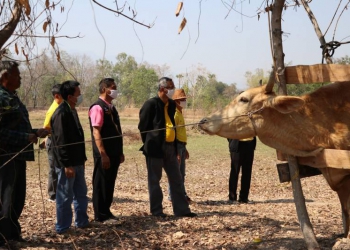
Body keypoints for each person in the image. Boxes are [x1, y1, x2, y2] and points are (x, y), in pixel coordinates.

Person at [0, 61, 48, 245]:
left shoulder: (13, 97)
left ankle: (12, 234)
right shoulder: (1, 98)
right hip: (6, 157)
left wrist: (35, 133)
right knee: (5, 199)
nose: (20, 78)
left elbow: (17, 128)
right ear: (5, 76)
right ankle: (3, 239)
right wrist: (24, 137)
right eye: (17, 75)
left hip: (19, 155)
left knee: (17, 198)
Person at [138, 77, 196, 218]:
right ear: (163, 89)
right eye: (170, 87)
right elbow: (143, 127)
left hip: (170, 147)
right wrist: (150, 144)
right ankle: (157, 212)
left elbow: (173, 126)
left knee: (176, 178)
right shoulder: (150, 104)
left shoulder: (170, 104)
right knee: (154, 180)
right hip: (154, 149)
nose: (172, 89)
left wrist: (176, 148)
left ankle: (182, 210)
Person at [50, 80, 89, 234]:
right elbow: (61, 142)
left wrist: (81, 159)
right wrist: (67, 164)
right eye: (78, 94)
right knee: (65, 196)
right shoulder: (61, 113)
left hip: (78, 161)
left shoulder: (72, 110)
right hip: (68, 163)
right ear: (70, 96)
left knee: (81, 193)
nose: (80, 96)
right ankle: (63, 227)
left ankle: (82, 222)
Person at [89, 78, 125, 222]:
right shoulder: (97, 107)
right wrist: (103, 154)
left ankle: (107, 211)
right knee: (101, 184)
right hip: (104, 154)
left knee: (110, 183)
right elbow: (96, 132)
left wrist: (120, 151)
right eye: (113, 87)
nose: (115, 90)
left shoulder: (111, 107)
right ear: (104, 89)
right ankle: (100, 215)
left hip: (114, 153)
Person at [168, 89, 191, 202]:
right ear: (176, 101)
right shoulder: (175, 114)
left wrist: (184, 148)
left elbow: (181, 133)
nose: (184, 101)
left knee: (182, 173)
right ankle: (172, 195)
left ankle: (182, 193)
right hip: (176, 146)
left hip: (182, 146)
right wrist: (176, 151)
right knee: (176, 173)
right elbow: (175, 134)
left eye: (185, 99)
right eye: (182, 99)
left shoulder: (180, 113)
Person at [42, 83, 63, 202]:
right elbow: (46, 128)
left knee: (59, 167)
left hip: (58, 141)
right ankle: (52, 194)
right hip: (53, 141)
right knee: (53, 168)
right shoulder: (53, 110)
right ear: (57, 96)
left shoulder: (61, 106)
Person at [228, 137, 256, 204]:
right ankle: (232, 198)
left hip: (250, 144)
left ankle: (244, 198)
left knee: (247, 172)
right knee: (235, 171)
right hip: (237, 145)